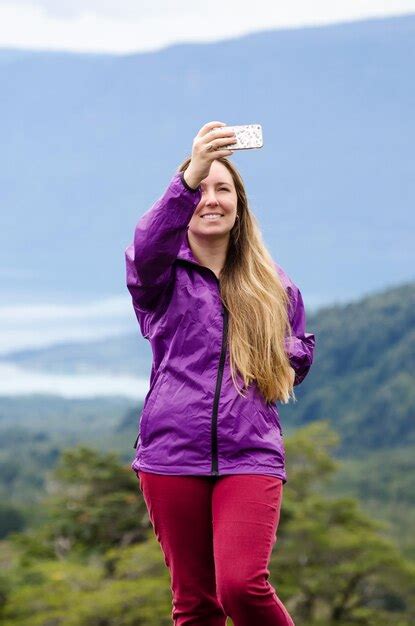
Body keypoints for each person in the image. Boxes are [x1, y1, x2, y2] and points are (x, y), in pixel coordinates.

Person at [125, 120, 315, 626]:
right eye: (200, 189)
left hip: (249, 454)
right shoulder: (159, 277)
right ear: (181, 205)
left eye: (222, 188)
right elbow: (147, 242)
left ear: (240, 205)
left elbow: (291, 361)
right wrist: (192, 172)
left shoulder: (274, 287)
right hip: (170, 455)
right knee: (195, 605)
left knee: (241, 588)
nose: (210, 199)